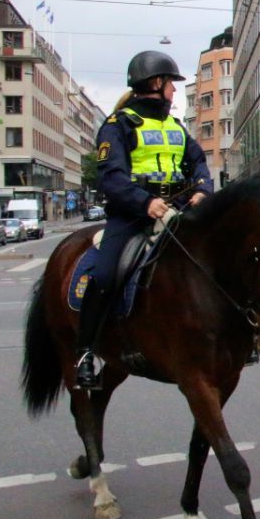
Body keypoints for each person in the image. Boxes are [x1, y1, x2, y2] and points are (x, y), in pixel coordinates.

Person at [74, 51, 212, 389]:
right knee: (105, 273)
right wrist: (144, 201)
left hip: (178, 209)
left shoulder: (175, 125)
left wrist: (203, 190)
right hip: (132, 214)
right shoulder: (116, 126)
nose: (175, 92)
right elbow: (111, 176)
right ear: (156, 83)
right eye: (171, 84)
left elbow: (198, 164)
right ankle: (86, 352)